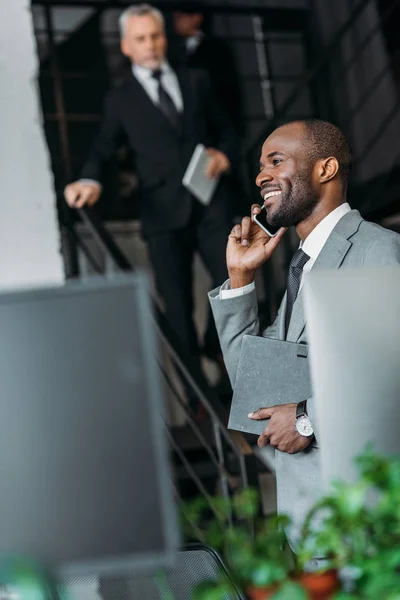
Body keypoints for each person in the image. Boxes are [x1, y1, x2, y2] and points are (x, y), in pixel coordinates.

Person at [208, 119, 400, 552]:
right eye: (260, 166)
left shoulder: (376, 250)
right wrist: (239, 279)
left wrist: (305, 418)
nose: (260, 176)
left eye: (276, 161)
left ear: (326, 169)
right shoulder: (303, 266)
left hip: (365, 525)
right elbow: (254, 389)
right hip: (309, 529)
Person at [64, 4, 238, 403]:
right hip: (161, 214)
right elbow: (103, 147)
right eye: (140, 39)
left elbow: (229, 131)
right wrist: (89, 180)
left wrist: (224, 155)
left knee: (230, 284)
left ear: (166, 37)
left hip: (210, 203)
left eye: (156, 36)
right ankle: (198, 401)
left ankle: (218, 347)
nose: (150, 45)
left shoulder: (197, 80)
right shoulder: (120, 99)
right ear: (126, 47)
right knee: (176, 309)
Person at [170, 5, 244, 134]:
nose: (176, 21)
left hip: (216, 112)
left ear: (196, 18)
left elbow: (227, 86)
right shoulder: (175, 51)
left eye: (181, 17)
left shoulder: (216, 48)